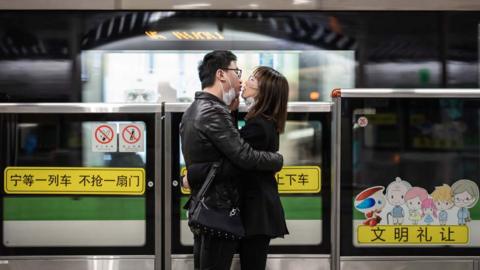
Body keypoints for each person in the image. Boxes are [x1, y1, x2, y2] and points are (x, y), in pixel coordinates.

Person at [180, 51, 284, 270]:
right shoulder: (213, 112)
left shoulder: (196, 109)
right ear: (221, 75)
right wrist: (277, 160)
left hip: (211, 208)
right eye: (237, 72)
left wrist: (192, 175)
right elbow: (242, 157)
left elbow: (233, 156)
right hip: (217, 209)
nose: (241, 79)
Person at [237, 66, 290, 270]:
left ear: (264, 91)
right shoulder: (265, 121)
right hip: (258, 208)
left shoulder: (258, 125)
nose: (245, 82)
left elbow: (235, 155)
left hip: (256, 211)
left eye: (252, 79)